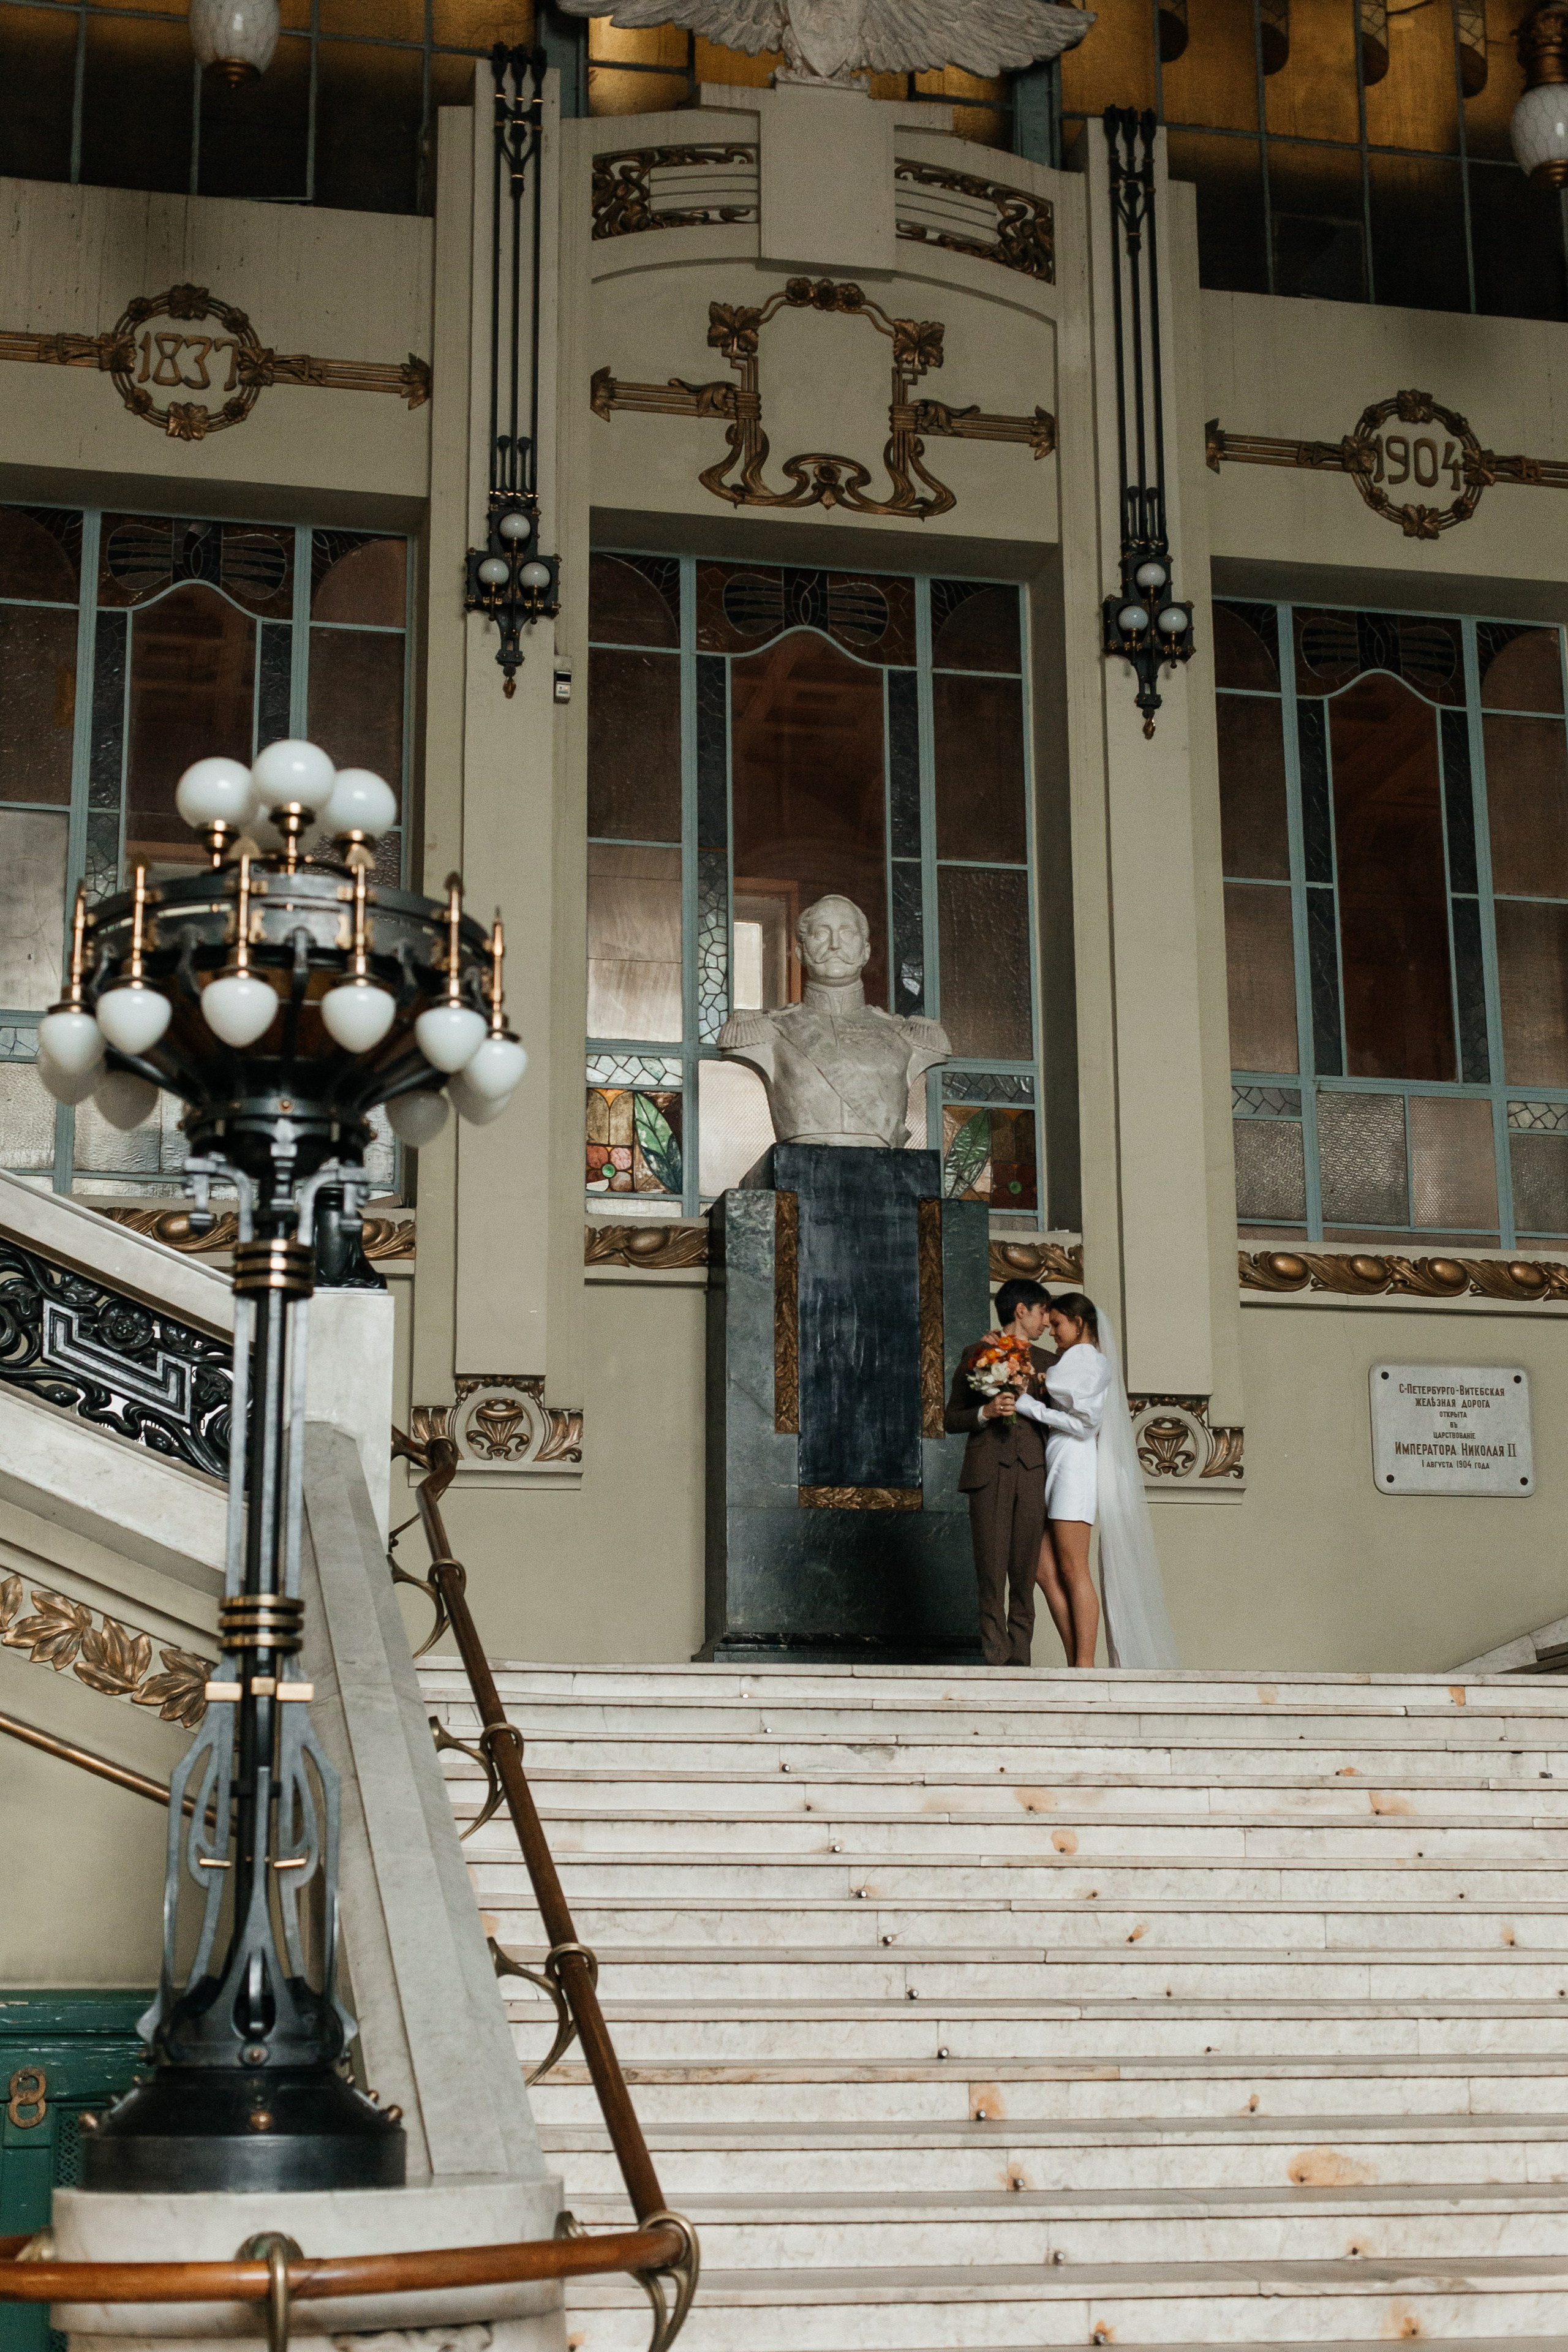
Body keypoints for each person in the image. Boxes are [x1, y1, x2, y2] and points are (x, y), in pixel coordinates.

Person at [1014, 1291, 1181, 1670]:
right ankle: (1078, 1660)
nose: (1052, 1332)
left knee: (1074, 1567)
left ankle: (1084, 1665)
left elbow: (1086, 1423)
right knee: (1043, 1567)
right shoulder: (1076, 1360)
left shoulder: (1088, 1360)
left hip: (1074, 1463)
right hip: (1058, 1459)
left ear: (1079, 1322)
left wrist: (1030, 1406)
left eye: (1057, 1324)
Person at [943, 1277, 1052, 1667]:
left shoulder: (1051, 1363)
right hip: (988, 1471)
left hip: (1034, 1471)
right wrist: (985, 1413)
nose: (1047, 1323)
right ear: (1021, 1310)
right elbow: (950, 1418)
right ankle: (995, 1660)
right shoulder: (975, 1353)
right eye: (1043, 1313)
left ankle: (1020, 1661)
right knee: (990, 1571)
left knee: (1024, 1573)